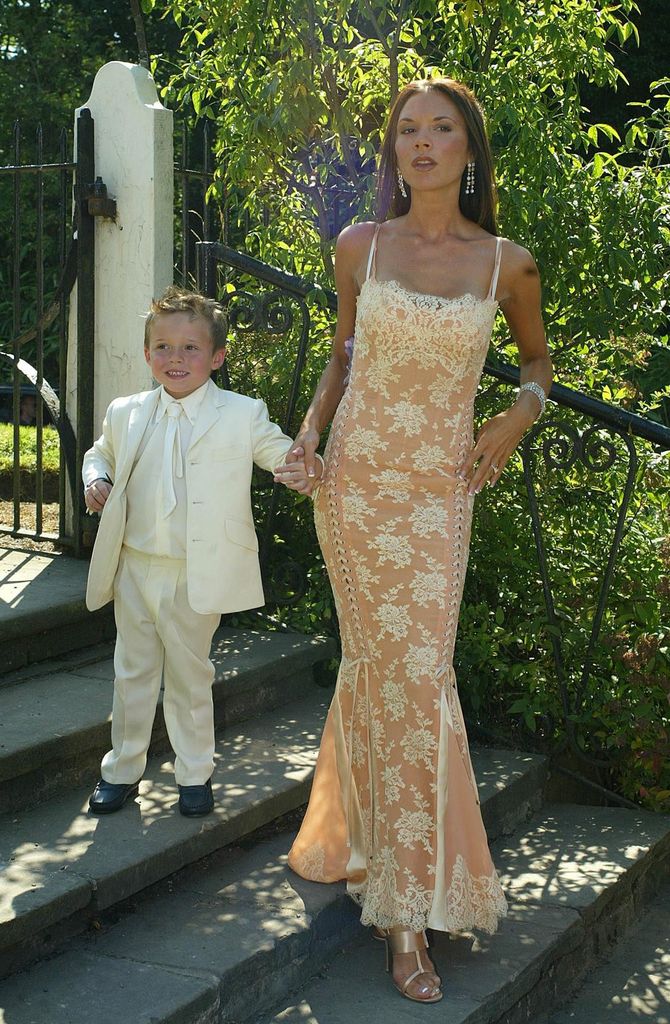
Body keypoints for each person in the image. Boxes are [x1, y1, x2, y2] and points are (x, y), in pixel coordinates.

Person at [275, 77, 553, 1002]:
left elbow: (536, 362)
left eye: (441, 129)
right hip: (355, 489)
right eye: (406, 130)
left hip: (439, 493)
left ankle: (375, 856)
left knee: (417, 675)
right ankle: (402, 915)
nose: (421, 142)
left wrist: (522, 411)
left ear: (470, 148)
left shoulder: (506, 263)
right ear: (393, 150)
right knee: (383, 669)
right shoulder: (360, 245)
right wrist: (310, 433)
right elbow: (344, 353)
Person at [82, 286, 319, 818]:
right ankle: (121, 770)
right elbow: (101, 454)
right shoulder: (127, 411)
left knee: (191, 676)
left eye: (191, 348)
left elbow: (277, 450)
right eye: (163, 347)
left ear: (217, 356)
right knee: (132, 673)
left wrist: (301, 467)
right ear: (147, 355)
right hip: (135, 566)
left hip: (197, 571)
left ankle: (194, 775)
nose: (175, 358)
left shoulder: (241, 413)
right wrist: (96, 477)